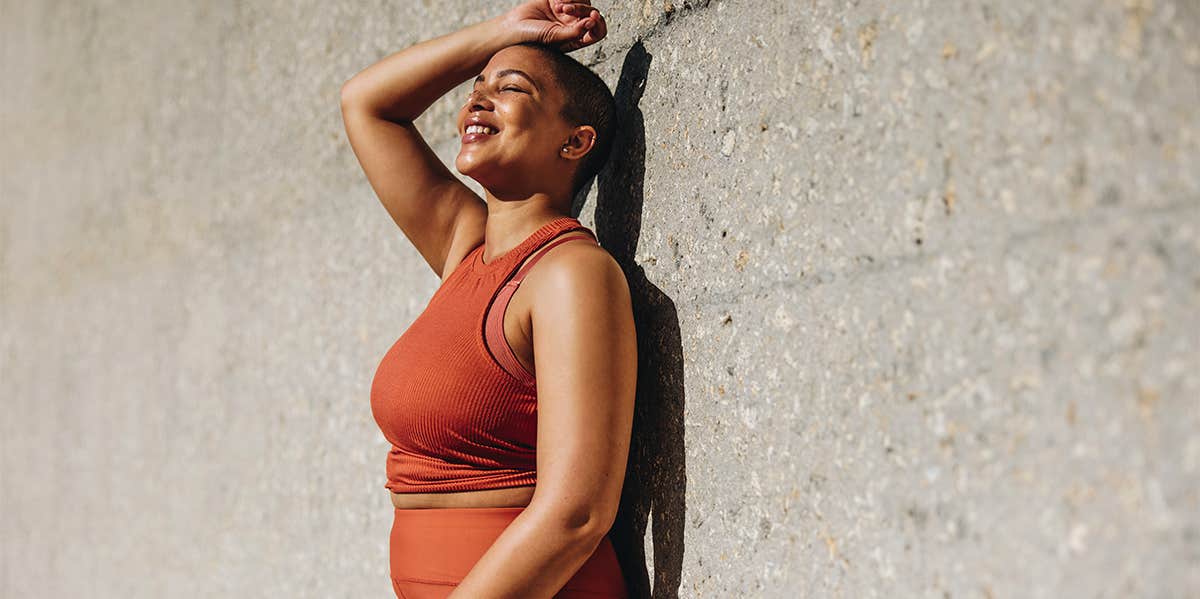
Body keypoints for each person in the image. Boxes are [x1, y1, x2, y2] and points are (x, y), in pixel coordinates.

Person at [340, 1, 635, 597]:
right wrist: (505, 32)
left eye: (511, 89)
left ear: (575, 142)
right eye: (476, 88)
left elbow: (577, 514)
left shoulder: (569, 274)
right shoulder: (463, 250)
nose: (477, 101)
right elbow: (366, 104)